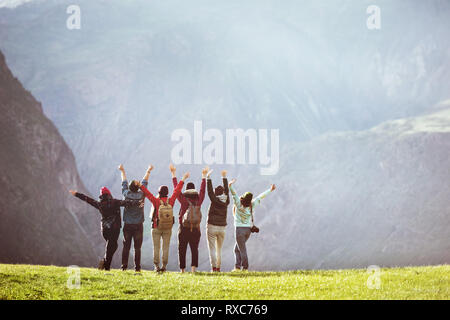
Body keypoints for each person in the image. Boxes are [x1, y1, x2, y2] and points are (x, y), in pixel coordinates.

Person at [69, 187, 141, 271]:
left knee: (112, 246)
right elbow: (127, 203)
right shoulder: (115, 202)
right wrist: (138, 202)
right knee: (111, 246)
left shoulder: (99, 204)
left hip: (105, 229)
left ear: (101, 196)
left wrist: (77, 194)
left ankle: (105, 262)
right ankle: (107, 267)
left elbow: (87, 199)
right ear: (109, 194)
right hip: (115, 228)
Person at [138, 168, 189, 272]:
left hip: (156, 227)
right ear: (167, 193)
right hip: (167, 228)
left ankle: (156, 266)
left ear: (159, 193)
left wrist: (140, 186)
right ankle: (164, 266)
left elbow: (148, 194)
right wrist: (183, 178)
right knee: (166, 247)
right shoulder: (171, 200)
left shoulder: (156, 201)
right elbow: (177, 190)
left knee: (156, 247)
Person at [229, 179, 276, 271]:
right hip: (248, 231)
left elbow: (234, 194)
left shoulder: (238, 204)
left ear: (243, 197)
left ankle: (244, 267)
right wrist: (270, 190)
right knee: (237, 249)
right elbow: (260, 197)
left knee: (242, 249)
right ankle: (237, 267)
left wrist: (230, 185)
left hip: (239, 230)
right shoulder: (251, 205)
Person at [170, 164, 208, 273]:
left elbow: (176, 190)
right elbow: (203, 191)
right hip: (196, 228)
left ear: (186, 190)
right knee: (194, 249)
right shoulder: (198, 200)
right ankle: (193, 269)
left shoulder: (183, 199)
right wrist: (203, 176)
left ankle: (182, 270)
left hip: (183, 228)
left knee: (182, 249)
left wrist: (174, 175)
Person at [118, 164, 151, 272]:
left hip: (127, 224)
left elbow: (124, 183)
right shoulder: (142, 195)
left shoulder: (126, 194)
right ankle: (137, 268)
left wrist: (122, 170)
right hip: (138, 225)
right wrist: (148, 170)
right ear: (138, 188)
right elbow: (144, 183)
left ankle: (124, 267)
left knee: (126, 246)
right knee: (137, 248)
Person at [205, 169, 230, 272]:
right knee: (219, 249)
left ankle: (214, 267)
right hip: (222, 228)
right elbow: (227, 191)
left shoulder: (214, 200)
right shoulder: (227, 200)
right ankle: (218, 268)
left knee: (212, 248)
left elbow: (210, 191)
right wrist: (224, 177)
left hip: (212, 226)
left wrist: (208, 178)